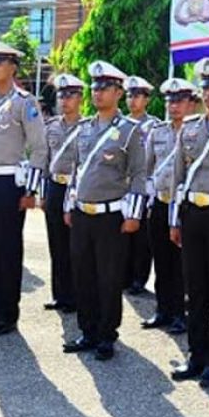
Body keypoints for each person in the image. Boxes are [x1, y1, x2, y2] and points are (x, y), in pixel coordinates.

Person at [62, 60, 146, 361]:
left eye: (105, 87)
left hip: (112, 217)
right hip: (83, 213)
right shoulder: (84, 128)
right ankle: (88, 330)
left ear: (119, 92)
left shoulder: (130, 131)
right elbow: (76, 170)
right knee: (82, 274)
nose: (98, 93)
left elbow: (138, 174)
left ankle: (107, 335)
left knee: (108, 278)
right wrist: (68, 205)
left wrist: (134, 215)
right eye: (95, 87)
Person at [0, 40, 47, 336]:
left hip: (8, 183)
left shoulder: (24, 102)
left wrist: (30, 191)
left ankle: (8, 314)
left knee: (7, 249)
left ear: (13, 67)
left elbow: (39, 149)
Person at [169, 58, 209, 388]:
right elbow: (178, 177)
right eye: (205, 86)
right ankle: (195, 355)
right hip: (192, 216)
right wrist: (174, 221)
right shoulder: (191, 127)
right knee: (195, 289)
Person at [141, 78, 195, 335]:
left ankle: (181, 313)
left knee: (183, 264)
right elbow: (148, 167)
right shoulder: (158, 131)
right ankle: (163, 310)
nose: (174, 106)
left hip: (185, 206)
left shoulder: (197, 132)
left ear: (192, 104)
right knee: (161, 260)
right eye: (170, 101)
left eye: (180, 101)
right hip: (161, 203)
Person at [42, 73, 83, 314]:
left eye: (70, 96)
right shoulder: (51, 127)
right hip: (55, 187)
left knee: (75, 245)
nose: (64, 100)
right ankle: (60, 294)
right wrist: (43, 191)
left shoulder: (87, 127)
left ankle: (77, 295)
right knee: (56, 243)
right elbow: (46, 160)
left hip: (76, 190)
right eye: (61, 95)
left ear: (80, 98)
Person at [124, 75, 159, 295]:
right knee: (122, 234)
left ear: (146, 99)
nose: (133, 100)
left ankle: (139, 277)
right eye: (130, 95)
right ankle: (124, 275)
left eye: (137, 96)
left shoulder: (154, 126)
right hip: (122, 186)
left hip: (144, 186)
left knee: (142, 238)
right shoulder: (121, 124)